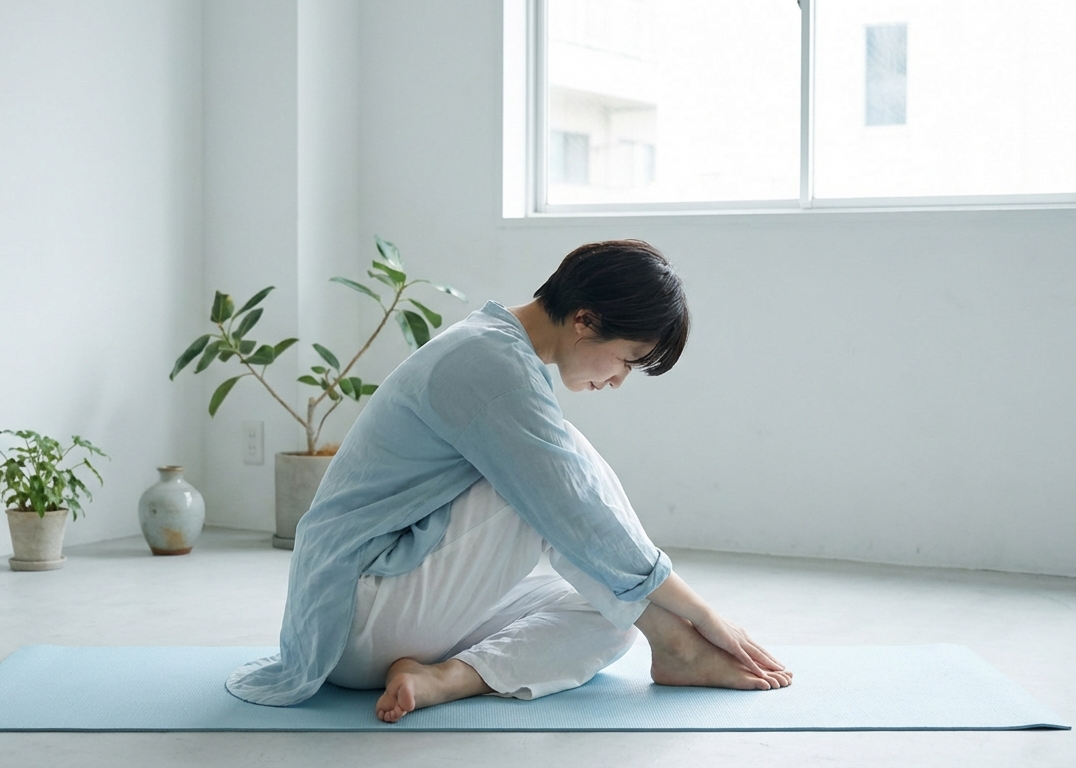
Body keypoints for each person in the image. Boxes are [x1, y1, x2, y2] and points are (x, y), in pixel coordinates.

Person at [226, 240, 791, 722]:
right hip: (354, 614)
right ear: (585, 320)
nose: (619, 379)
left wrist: (668, 609)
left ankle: (445, 678)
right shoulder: (490, 365)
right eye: (626, 358)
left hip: (392, 616)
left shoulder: (498, 350)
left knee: (610, 618)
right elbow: (575, 513)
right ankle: (677, 647)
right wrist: (701, 614)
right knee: (562, 470)